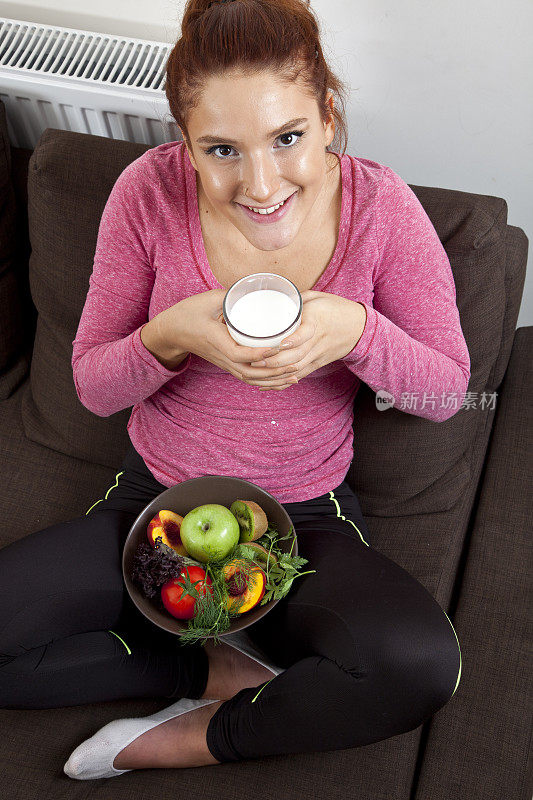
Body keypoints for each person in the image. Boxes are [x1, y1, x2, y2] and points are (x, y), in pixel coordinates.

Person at [0, 0, 470, 780]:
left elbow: (446, 389)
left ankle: (185, 740)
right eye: (220, 149)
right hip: (154, 509)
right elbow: (93, 385)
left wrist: (358, 331)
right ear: (182, 142)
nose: (258, 186)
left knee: (417, 668)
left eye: (286, 138)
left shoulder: (381, 210)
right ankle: (205, 672)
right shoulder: (146, 196)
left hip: (306, 517)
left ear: (326, 115)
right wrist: (171, 333)